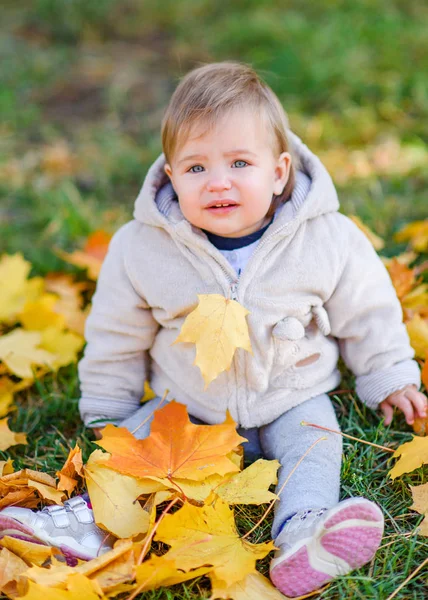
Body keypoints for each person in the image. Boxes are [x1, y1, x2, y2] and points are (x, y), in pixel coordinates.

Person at [1, 62, 426, 597]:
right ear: (171, 176)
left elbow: (368, 310)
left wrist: (389, 374)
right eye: (196, 168)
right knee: (135, 447)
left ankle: (304, 530)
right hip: (192, 401)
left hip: (292, 394)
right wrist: (108, 406)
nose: (218, 182)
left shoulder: (327, 239)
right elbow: (116, 333)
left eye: (240, 163)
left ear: (278, 172)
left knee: (317, 444)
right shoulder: (142, 249)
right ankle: (83, 522)